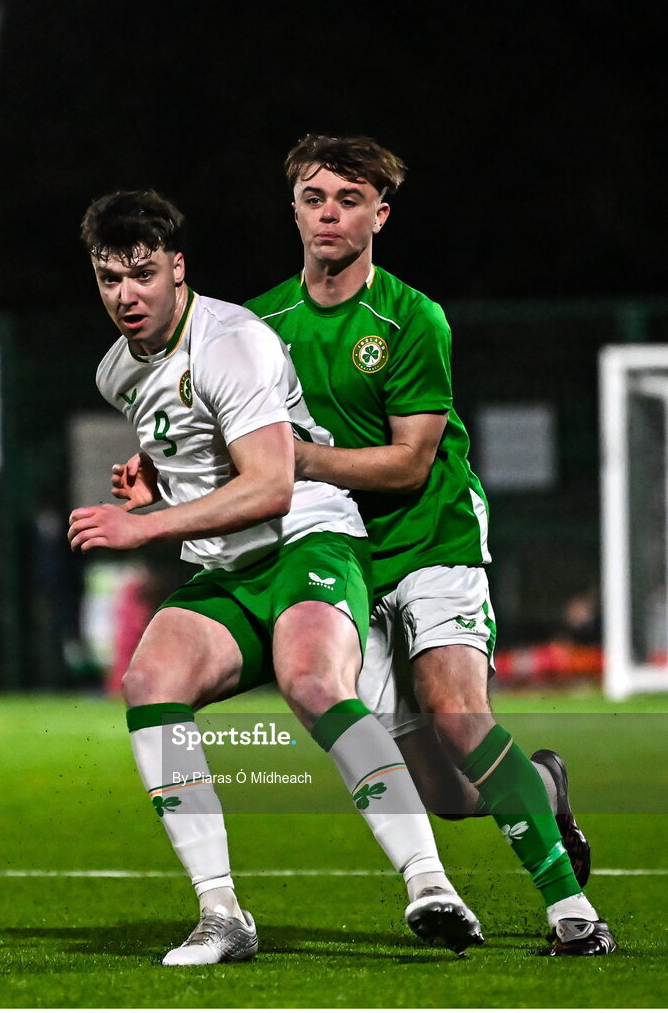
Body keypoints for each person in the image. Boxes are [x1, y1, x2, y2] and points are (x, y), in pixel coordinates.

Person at [70, 188, 483, 965]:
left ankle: (430, 885)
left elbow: (271, 486)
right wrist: (156, 477)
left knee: (312, 681)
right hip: (229, 566)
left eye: (142, 274)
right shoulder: (116, 372)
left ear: (177, 268)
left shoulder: (232, 342)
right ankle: (220, 913)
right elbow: (195, 440)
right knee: (149, 681)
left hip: (307, 541)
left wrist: (143, 526)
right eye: (108, 278)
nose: (126, 295)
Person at [243, 133, 616, 957]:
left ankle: (572, 912)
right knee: (447, 795)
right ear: (292, 209)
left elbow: (409, 461)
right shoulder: (257, 326)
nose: (328, 214)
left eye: (348, 200)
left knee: (457, 714)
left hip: (430, 532)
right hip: (340, 556)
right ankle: (543, 787)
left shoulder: (411, 318)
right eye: (313, 198)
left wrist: (292, 459)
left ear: (379, 214)